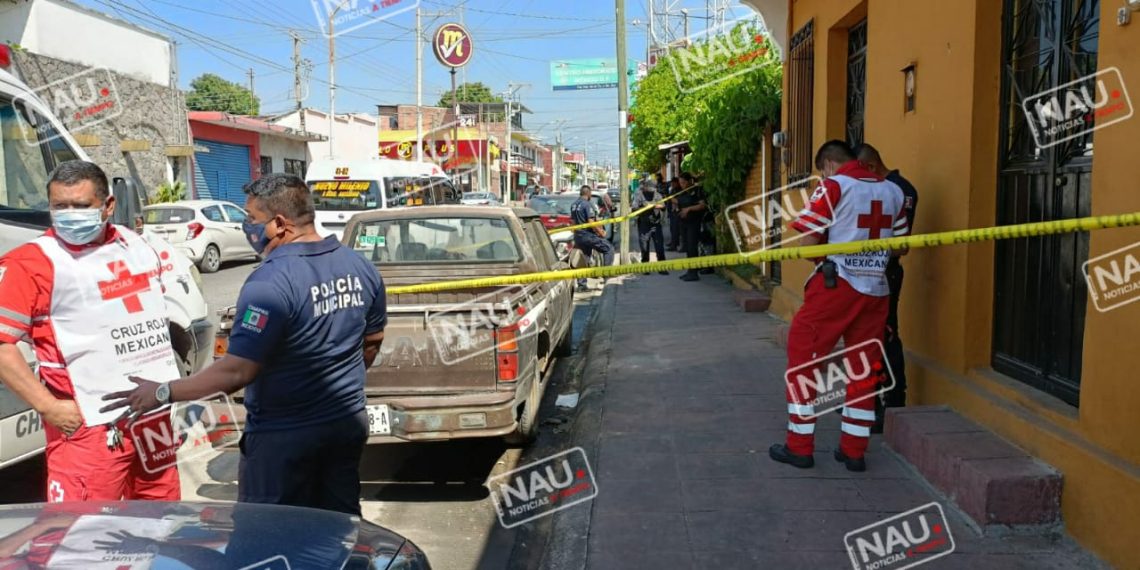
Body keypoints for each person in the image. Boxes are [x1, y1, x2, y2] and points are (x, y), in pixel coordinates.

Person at [102, 173, 387, 516]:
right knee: (340, 526)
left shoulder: (270, 281)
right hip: (345, 424)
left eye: (252, 218)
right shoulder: (358, 265)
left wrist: (163, 392)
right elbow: (372, 341)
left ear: (279, 224)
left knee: (269, 536)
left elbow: (238, 370)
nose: (246, 226)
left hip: (283, 439)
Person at [0, 160, 181, 503]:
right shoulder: (31, 263)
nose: (69, 214)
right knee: (86, 535)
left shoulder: (135, 244)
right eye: (59, 206)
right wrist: (49, 407)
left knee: (161, 520)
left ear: (108, 206)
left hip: (152, 418)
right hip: (88, 426)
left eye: (81, 206)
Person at [769, 140, 908, 472]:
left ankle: (800, 447)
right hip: (876, 289)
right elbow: (901, 248)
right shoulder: (894, 191)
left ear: (828, 164)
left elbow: (807, 244)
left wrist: (839, 248)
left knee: (803, 357)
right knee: (863, 369)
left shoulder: (833, 186)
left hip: (836, 286)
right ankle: (854, 451)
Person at [856, 143, 918, 433]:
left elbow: (900, 247)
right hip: (863, 276)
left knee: (887, 336)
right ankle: (870, 403)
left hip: (885, 275)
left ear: (869, 167)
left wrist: (860, 249)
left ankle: (893, 403)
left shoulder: (899, 190)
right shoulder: (874, 189)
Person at [570, 185, 614, 291]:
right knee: (609, 249)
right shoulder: (587, 204)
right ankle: (606, 276)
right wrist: (600, 232)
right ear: (588, 194)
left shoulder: (574, 205)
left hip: (578, 235)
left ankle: (582, 285)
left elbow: (573, 222)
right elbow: (591, 222)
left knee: (583, 259)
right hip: (587, 235)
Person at [675, 172, 709, 281]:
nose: (682, 185)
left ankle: (693, 273)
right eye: (680, 183)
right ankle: (690, 271)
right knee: (687, 248)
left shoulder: (697, 190)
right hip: (684, 223)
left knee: (692, 247)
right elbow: (679, 202)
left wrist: (689, 209)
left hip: (694, 223)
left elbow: (702, 205)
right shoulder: (682, 192)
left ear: (690, 181)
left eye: (684, 182)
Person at [631, 178, 668, 274]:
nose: (652, 191)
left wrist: (655, 206)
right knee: (644, 247)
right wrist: (644, 207)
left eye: (653, 188)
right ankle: (645, 267)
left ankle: (662, 267)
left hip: (656, 224)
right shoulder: (639, 195)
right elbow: (634, 209)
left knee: (659, 246)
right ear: (646, 187)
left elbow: (663, 207)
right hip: (644, 225)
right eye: (650, 188)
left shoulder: (657, 195)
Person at [665, 177, 682, 251]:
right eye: (671, 183)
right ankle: (673, 242)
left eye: (673, 183)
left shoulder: (679, 190)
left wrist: (669, 198)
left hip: (676, 212)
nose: (672, 184)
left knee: (675, 229)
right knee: (672, 229)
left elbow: (677, 200)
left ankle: (674, 245)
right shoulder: (672, 189)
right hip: (671, 212)